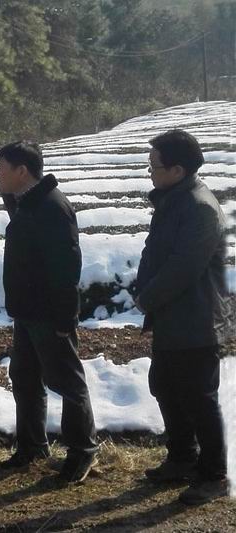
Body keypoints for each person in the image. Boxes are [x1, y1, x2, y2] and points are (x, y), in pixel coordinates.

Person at [134, 129, 233, 505]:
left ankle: (214, 475)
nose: (150, 171)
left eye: (154, 165)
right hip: (173, 317)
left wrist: (146, 298)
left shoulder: (199, 207)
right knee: (166, 386)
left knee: (198, 398)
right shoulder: (173, 201)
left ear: (177, 170)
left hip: (196, 320)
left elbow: (183, 268)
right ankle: (182, 459)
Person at [0, 141, 98, 482]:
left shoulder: (52, 207)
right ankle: (32, 447)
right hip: (27, 310)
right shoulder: (28, 202)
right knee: (24, 378)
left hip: (48, 312)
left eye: (1, 168)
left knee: (66, 381)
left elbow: (66, 267)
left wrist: (66, 318)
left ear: (22, 171)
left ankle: (83, 450)